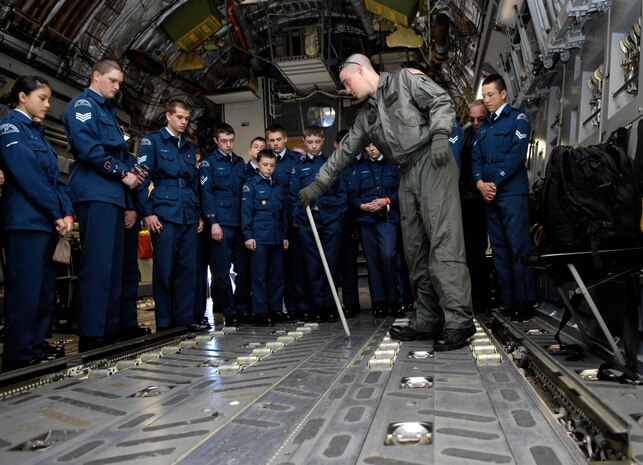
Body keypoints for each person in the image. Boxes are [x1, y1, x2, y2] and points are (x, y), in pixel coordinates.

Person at [298, 54, 475, 351]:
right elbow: (343, 155)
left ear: (359, 69)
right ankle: (428, 317)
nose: (346, 89)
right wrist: (317, 184)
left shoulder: (405, 80)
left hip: (433, 160)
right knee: (415, 250)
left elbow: (441, 101)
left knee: (443, 241)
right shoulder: (366, 116)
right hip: (407, 173)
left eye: (346, 82)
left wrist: (441, 135)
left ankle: (459, 321)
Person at [63, 59, 144, 352]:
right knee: (97, 264)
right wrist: (122, 173)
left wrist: (133, 171)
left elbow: (119, 151)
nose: (117, 86)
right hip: (96, 192)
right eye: (112, 80)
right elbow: (89, 148)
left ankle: (111, 327)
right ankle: (92, 330)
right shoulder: (83, 107)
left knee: (115, 265)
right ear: (96, 76)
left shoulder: (109, 112)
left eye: (120, 82)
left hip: (113, 195)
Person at [0, 75, 74, 370]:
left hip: (46, 223)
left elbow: (57, 180)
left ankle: (36, 345)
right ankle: (19, 353)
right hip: (25, 222)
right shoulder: (10, 128)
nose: (47, 104)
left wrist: (67, 213)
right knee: (26, 289)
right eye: (42, 98)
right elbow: (29, 177)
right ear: (22, 97)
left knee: (44, 290)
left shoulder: (37, 133)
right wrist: (56, 213)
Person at [472, 74, 536, 321]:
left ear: (503, 94)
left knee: (518, 247)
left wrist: (493, 183)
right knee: (498, 249)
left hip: (511, 193)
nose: (486, 100)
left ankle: (525, 300)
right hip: (489, 196)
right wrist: (479, 183)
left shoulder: (518, 120)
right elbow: (475, 158)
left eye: (490, 95)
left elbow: (516, 156)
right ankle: (508, 299)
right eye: (484, 95)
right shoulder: (484, 126)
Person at [137, 100, 202, 331]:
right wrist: (147, 212)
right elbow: (141, 180)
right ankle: (164, 323)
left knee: (187, 270)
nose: (184, 122)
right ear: (168, 116)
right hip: (163, 212)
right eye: (180, 117)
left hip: (188, 214)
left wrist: (199, 214)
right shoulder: (152, 142)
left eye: (187, 118)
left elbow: (194, 183)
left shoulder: (188, 147)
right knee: (164, 269)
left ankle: (183, 320)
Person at [291, 124, 347, 322]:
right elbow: (293, 196)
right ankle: (318, 307)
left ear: (323, 141)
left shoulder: (332, 163)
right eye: (310, 142)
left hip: (331, 222)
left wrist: (338, 215)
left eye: (317, 142)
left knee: (330, 265)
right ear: (304, 142)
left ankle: (330, 306)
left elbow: (342, 193)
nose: (314, 146)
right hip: (309, 223)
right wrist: (300, 218)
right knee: (313, 266)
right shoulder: (298, 168)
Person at [199, 123, 251, 326]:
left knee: (244, 270)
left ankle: (241, 308)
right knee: (221, 272)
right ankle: (229, 312)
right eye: (224, 141)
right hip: (221, 224)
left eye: (231, 141)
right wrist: (213, 222)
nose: (228, 145)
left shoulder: (239, 163)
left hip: (240, 224)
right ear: (216, 141)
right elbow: (207, 194)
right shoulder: (208, 163)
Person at [349, 142, 403, 318]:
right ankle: (378, 302)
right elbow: (353, 195)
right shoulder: (360, 169)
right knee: (372, 261)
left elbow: (401, 190)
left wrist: (385, 201)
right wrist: (362, 206)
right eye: (368, 146)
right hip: (367, 220)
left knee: (388, 256)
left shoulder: (393, 166)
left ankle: (394, 300)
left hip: (387, 218)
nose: (371, 149)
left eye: (374, 145)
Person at [242, 149, 289, 325]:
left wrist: (284, 235)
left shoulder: (278, 185)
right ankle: (260, 312)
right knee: (259, 276)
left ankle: (275, 310)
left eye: (272, 165)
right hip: (259, 237)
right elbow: (246, 212)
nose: (268, 169)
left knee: (277, 275)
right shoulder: (251, 185)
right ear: (258, 164)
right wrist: (248, 235)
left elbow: (283, 213)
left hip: (276, 236)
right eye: (265, 165)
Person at [266, 124, 304, 319]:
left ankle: (300, 307)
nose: (275, 144)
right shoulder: (265, 162)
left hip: (295, 220)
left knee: (298, 265)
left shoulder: (297, 160)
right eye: (271, 140)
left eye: (278, 140)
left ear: (285, 139)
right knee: (280, 268)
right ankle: (286, 307)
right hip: (274, 223)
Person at [460, 99, 493, 313]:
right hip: (467, 199)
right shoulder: (466, 136)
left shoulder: (490, 134)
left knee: (480, 251)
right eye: (472, 119)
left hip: (484, 198)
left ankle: (483, 299)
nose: (475, 122)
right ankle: (474, 297)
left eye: (479, 118)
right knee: (470, 253)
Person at [336, 129, 362, 318]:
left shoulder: (358, 166)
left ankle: (352, 303)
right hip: (332, 224)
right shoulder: (330, 167)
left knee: (349, 265)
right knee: (333, 266)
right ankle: (334, 305)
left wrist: (355, 225)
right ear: (336, 145)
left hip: (352, 223)